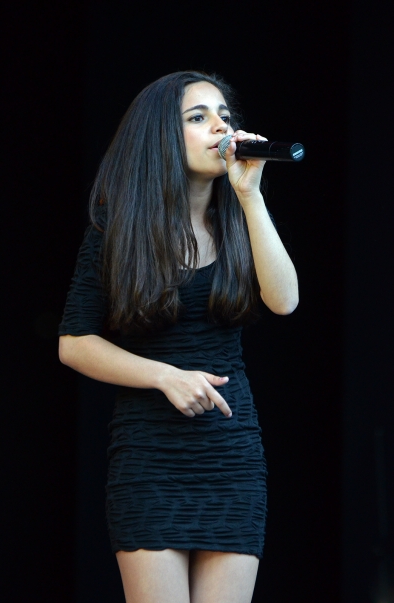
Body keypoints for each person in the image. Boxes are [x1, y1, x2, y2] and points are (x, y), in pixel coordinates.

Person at [59, 71, 298, 603]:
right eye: (198, 117)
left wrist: (251, 197)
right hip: (150, 457)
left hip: (231, 453)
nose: (220, 127)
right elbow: (74, 342)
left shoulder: (239, 218)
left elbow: (284, 300)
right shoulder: (118, 228)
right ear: (161, 136)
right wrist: (166, 376)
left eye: (225, 116)